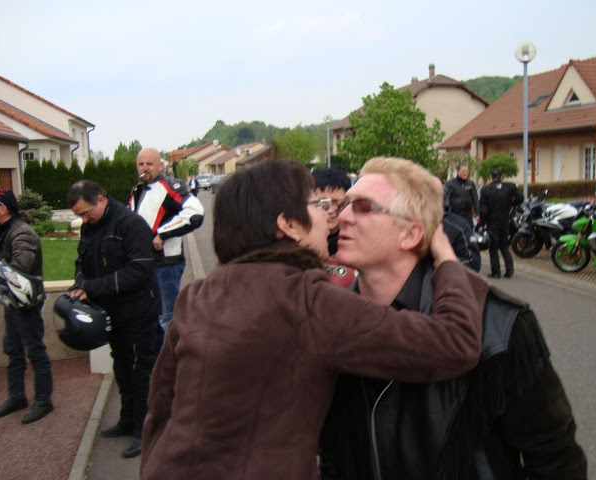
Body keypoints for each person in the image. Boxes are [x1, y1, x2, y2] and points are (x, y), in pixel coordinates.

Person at [141, 159, 484, 479]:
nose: (332, 217)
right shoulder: (308, 301)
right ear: (288, 225)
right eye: (318, 206)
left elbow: (158, 409)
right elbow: (456, 342)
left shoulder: (197, 295)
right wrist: (447, 261)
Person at [319, 157, 587, 480]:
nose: (341, 216)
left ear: (411, 234)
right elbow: (335, 452)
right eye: (344, 204)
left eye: (363, 207)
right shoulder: (328, 320)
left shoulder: (499, 324)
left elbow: (555, 458)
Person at [68, 180, 161, 459]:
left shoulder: (130, 224)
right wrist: (80, 281)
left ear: (101, 199)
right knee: (121, 367)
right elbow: (80, 262)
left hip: (139, 311)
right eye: (80, 216)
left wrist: (93, 288)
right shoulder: (90, 227)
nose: (84, 219)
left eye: (86, 213)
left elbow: (139, 271)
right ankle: (127, 420)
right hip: (113, 312)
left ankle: (144, 430)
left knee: (141, 371)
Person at [129, 147, 204, 346]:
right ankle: (155, 363)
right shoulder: (137, 190)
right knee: (150, 317)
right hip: (143, 264)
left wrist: (163, 233)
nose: (144, 168)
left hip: (166, 264)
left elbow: (195, 212)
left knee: (166, 318)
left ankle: (169, 366)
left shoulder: (170, 186)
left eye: (149, 164)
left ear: (160, 166)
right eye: (141, 164)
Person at [0, 189, 53, 424]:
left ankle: (43, 401)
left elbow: (20, 266)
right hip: (11, 301)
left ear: (3, 208)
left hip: (26, 302)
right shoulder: (3, 231)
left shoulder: (22, 232)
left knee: (34, 350)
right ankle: (17, 396)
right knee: (13, 349)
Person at [312, 168, 355, 287]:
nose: (331, 209)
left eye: (337, 202)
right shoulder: (299, 244)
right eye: (322, 202)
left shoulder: (358, 244)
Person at [479, 169, 524, 278]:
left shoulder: (486, 190)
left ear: (491, 177)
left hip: (492, 220)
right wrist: (512, 204)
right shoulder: (509, 187)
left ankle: (496, 272)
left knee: (493, 248)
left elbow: (483, 210)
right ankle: (509, 270)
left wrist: (482, 224)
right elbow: (520, 198)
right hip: (504, 220)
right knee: (504, 246)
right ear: (502, 177)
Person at [444, 162, 479, 226]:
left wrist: (478, 212)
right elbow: (446, 199)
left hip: (467, 214)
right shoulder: (450, 184)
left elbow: (475, 199)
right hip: (455, 214)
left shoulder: (470, 183)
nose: (465, 173)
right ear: (457, 171)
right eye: (463, 171)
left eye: (466, 171)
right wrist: (446, 213)